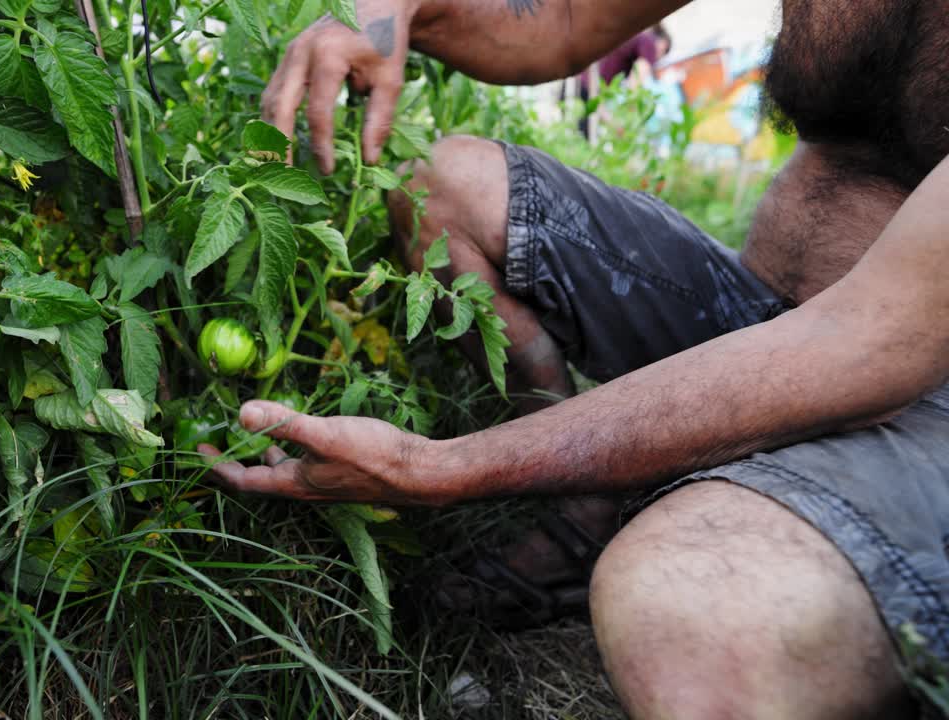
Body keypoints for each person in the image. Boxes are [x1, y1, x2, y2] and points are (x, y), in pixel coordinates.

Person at [200, 0, 949, 716]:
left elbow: (862, 345)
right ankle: (581, 508)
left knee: (685, 614)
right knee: (444, 183)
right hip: (758, 308)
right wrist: (401, 11)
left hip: (916, 392)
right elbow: (557, 20)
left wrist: (439, 468)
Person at [577, 23, 671, 136]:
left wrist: (612, 121)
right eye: (662, 53)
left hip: (582, 82)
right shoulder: (649, 44)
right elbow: (634, 85)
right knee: (580, 138)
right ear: (662, 43)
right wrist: (630, 115)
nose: (656, 59)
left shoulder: (636, 37)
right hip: (589, 89)